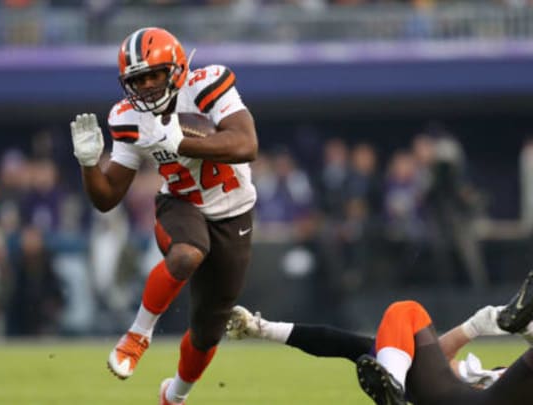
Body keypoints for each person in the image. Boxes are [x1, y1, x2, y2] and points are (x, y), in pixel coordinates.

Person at [70, 27, 258, 405]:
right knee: (187, 252)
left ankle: (174, 395)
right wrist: (89, 165)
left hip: (234, 213)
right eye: (138, 79)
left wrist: (184, 143)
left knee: (208, 331)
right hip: (180, 203)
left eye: (156, 74)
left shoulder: (208, 85)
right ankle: (138, 335)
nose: (149, 86)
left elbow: (246, 144)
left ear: (178, 68)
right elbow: (107, 198)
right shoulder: (128, 118)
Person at [227, 303, 528, 389]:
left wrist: (479, 326)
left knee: (403, 315)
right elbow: (440, 360)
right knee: (372, 338)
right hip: (454, 394)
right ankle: (262, 329)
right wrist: (477, 326)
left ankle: (392, 383)